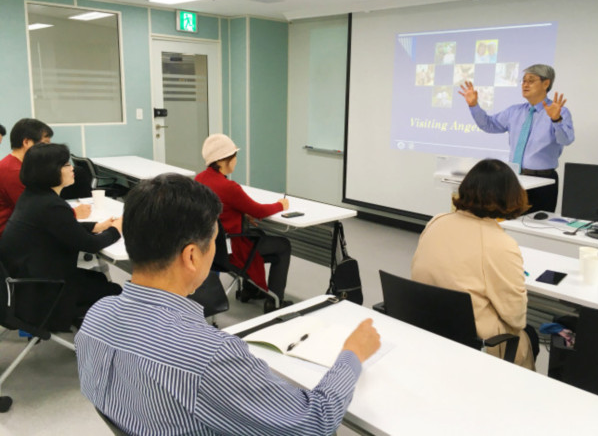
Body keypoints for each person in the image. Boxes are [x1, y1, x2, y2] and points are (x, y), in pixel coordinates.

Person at [75, 173, 381, 436]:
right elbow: (315, 423)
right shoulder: (209, 356)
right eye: (214, 242)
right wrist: (352, 354)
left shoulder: (97, 316)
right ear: (192, 256)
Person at [411, 159, 535, 370]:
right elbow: (515, 317)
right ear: (511, 196)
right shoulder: (500, 244)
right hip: (474, 342)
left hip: (427, 326)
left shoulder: (436, 222)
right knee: (528, 335)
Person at [0, 143, 122, 331]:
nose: (72, 168)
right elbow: (90, 245)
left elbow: (61, 227)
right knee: (114, 290)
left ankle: (85, 323)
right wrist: (116, 230)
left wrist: (97, 226)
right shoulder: (51, 205)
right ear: (49, 170)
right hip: (44, 296)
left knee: (97, 279)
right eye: (66, 164)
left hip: (24, 289)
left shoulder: (33, 196)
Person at [195, 133, 292, 313]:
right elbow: (259, 211)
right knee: (283, 245)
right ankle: (275, 301)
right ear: (224, 160)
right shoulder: (229, 187)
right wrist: (281, 205)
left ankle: (250, 289)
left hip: (211, 247)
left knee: (259, 235)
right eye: (234, 156)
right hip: (231, 250)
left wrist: (241, 214)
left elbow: (216, 210)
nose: (236, 160)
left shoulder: (199, 179)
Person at [459, 64, 575, 213]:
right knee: (510, 219)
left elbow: (566, 140)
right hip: (514, 178)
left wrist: (556, 120)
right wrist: (474, 106)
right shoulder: (514, 111)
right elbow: (488, 125)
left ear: (546, 83)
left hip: (543, 181)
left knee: (537, 223)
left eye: (531, 80)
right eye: (524, 81)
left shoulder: (560, 112)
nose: (525, 85)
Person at [0, 118, 90, 236]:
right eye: (45, 143)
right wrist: (73, 213)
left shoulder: (18, 165)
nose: (48, 148)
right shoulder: (13, 172)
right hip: (10, 234)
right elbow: (36, 212)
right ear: (26, 142)